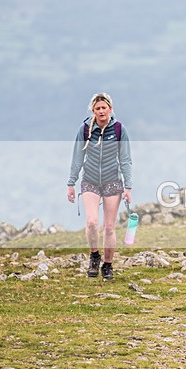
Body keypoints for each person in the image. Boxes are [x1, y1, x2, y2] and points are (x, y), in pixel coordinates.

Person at [67, 92, 132, 281]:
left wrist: (128, 187)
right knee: (92, 222)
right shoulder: (86, 129)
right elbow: (77, 157)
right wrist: (71, 183)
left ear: (110, 109)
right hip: (90, 181)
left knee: (109, 228)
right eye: (98, 108)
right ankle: (95, 256)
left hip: (113, 182)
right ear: (93, 111)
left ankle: (108, 265)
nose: (101, 111)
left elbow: (126, 159)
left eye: (104, 108)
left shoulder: (119, 129)